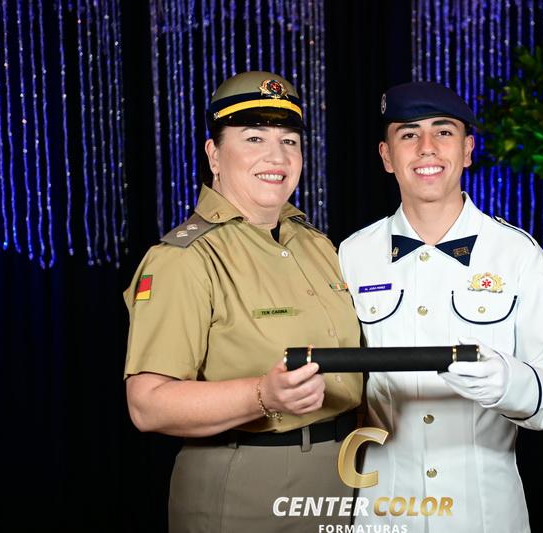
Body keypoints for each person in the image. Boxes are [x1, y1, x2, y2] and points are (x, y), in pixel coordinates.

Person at [123, 71, 363, 532]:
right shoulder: (184, 258)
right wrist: (263, 395)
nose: (277, 156)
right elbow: (147, 405)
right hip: (246, 484)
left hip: (343, 476)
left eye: (289, 141)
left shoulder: (319, 246)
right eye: (254, 138)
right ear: (214, 154)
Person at [338, 81, 543, 532]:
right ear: (387, 156)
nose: (426, 147)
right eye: (408, 134)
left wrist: (508, 381)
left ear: (468, 149)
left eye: (443, 132)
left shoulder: (517, 253)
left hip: (485, 514)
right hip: (384, 511)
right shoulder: (351, 255)